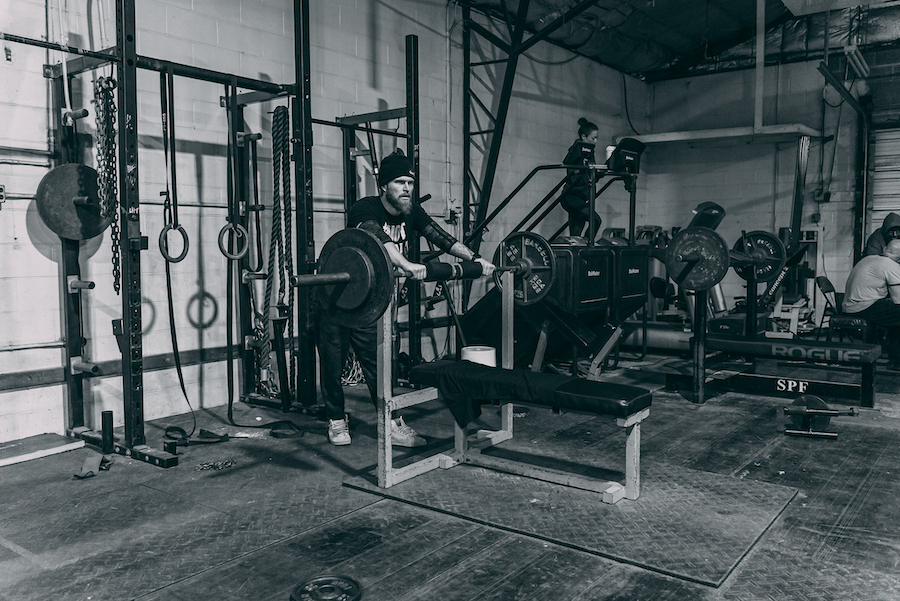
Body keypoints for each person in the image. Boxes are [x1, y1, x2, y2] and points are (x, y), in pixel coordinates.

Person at [317, 149, 496, 446]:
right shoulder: (364, 209)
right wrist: (406, 264)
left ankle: (389, 422)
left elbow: (441, 237)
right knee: (332, 364)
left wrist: (475, 258)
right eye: (400, 182)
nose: (406, 188)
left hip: (368, 303)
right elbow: (379, 238)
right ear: (383, 186)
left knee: (378, 364)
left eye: (410, 183)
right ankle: (336, 420)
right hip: (336, 296)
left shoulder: (411, 210)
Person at [842, 238, 900, 368]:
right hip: (862, 308)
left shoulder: (869, 258)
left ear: (885, 249)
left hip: (851, 307)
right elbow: (898, 300)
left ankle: (895, 357)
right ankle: (896, 360)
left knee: (895, 317)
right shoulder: (891, 265)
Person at [559, 117, 602, 239]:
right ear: (583, 136)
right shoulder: (576, 151)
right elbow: (568, 163)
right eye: (593, 138)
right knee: (596, 220)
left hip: (582, 198)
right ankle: (588, 244)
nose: (595, 141)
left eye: (597, 138)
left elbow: (590, 176)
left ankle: (581, 247)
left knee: (575, 235)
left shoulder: (589, 154)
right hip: (571, 197)